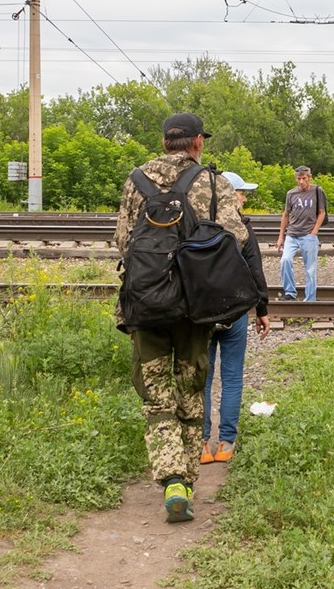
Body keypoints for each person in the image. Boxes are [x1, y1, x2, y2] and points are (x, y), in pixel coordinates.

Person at [113, 112, 248, 524]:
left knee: (156, 398)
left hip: (146, 306)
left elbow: (122, 240)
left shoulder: (136, 180)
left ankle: (170, 478)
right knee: (191, 390)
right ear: (196, 143)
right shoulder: (211, 182)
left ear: (165, 141)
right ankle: (186, 483)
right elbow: (236, 237)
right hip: (194, 308)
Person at [201, 171, 271, 465]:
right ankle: (226, 442)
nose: (244, 198)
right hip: (235, 312)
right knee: (231, 378)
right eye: (242, 193)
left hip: (201, 314)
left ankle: (202, 444)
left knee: (201, 379)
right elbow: (255, 269)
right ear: (231, 194)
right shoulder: (241, 227)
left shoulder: (199, 225)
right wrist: (262, 309)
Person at [276, 165, 327, 302]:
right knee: (285, 260)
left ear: (309, 177)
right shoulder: (291, 194)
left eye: (304, 178)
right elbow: (285, 215)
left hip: (308, 235)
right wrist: (281, 236)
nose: (301, 182)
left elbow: (322, 212)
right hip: (292, 234)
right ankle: (290, 293)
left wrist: (314, 232)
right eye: (299, 179)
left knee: (310, 268)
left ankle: (310, 299)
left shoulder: (317, 191)